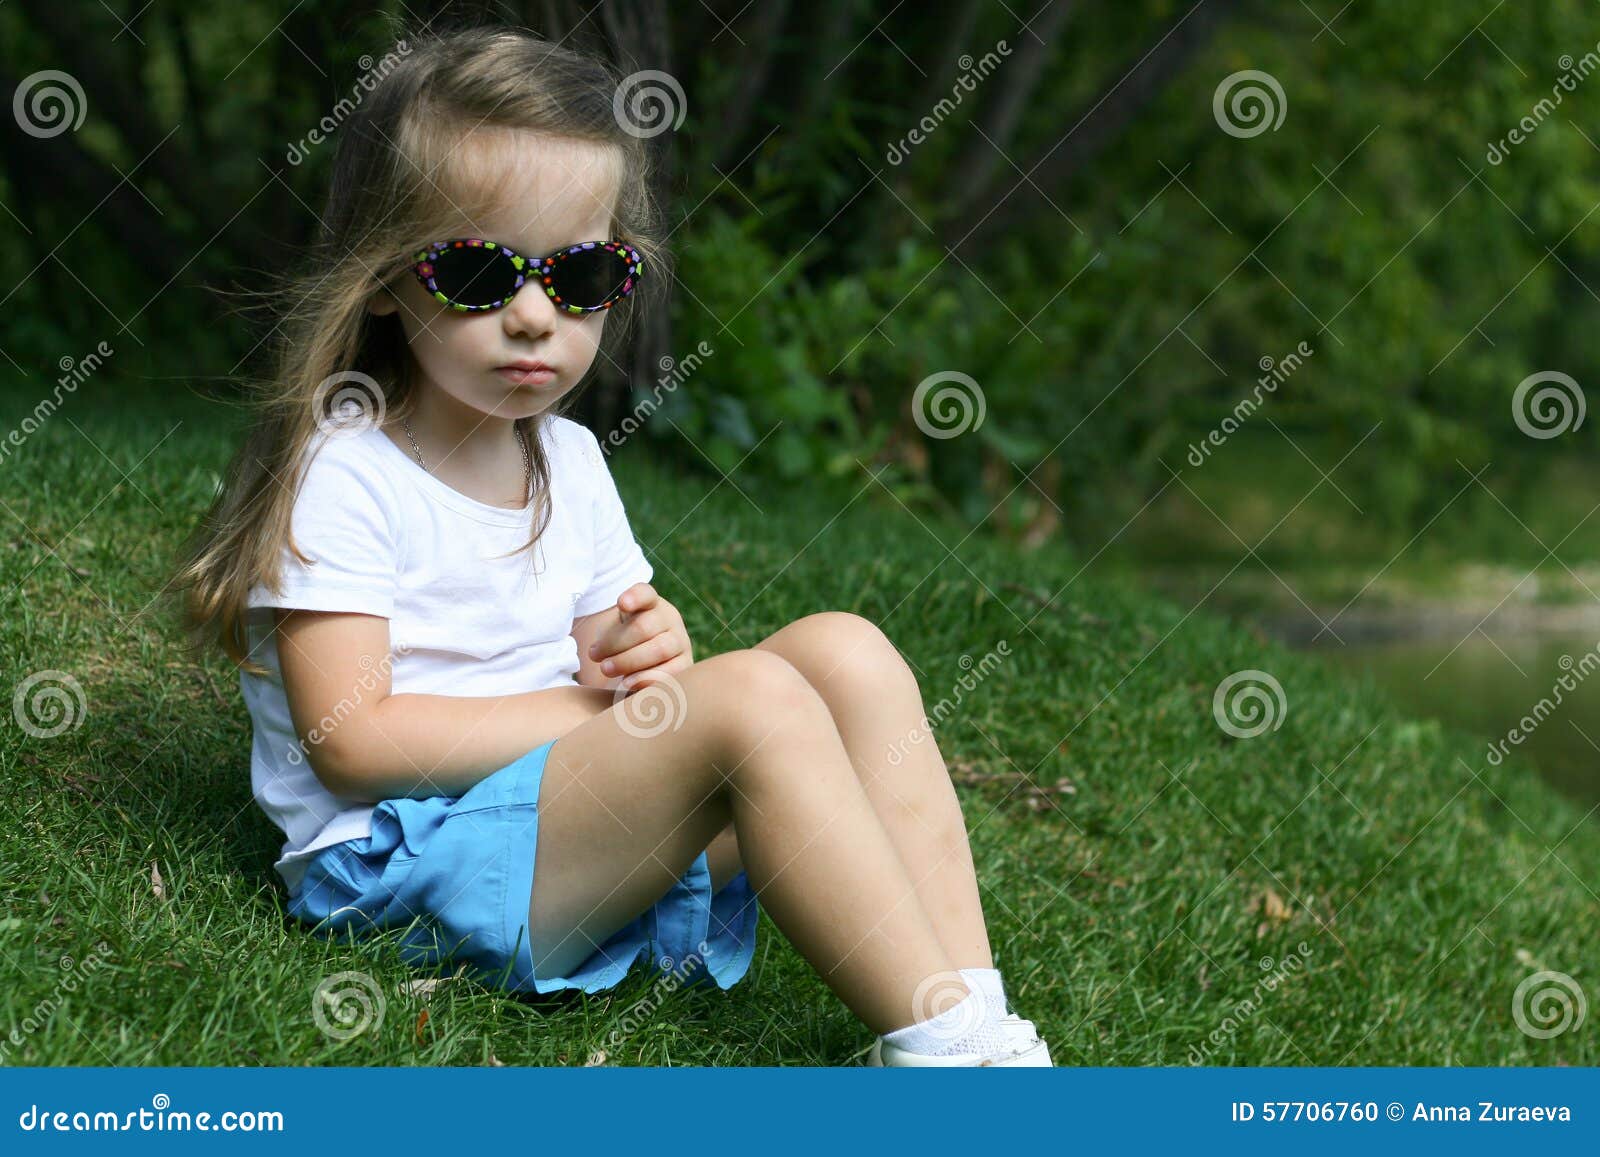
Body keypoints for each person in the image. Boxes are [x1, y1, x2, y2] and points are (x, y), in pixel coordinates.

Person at [170, 23, 1051, 1068]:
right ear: (384, 276)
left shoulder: (569, 459)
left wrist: (643, 652)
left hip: (544, 829)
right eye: (477, 272)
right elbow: (352, 743)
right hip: (400, 863)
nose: (537, 316)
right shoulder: (345, 469)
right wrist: (614, 707)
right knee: (755, 701)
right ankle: (941, 1057)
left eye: (581, 271)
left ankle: (971, 1013)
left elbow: (620, 665)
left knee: (844, 653)